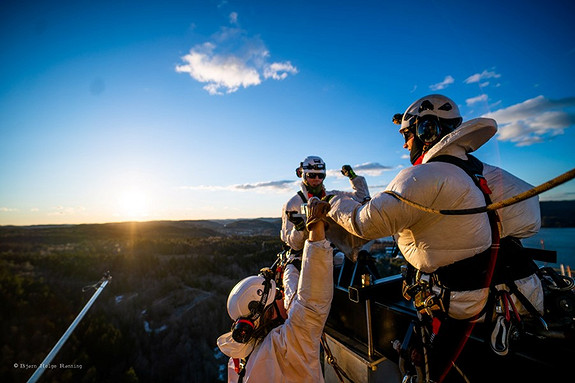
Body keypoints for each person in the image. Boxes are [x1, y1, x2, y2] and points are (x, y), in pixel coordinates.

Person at [326, 94, 543, 382]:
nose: (405, 145)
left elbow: (364, 223)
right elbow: (530, 222)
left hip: (469, 308)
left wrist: (331, 203)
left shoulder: (423, 176)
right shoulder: (490, 174)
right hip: (522, 295)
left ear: (425, 130)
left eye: (406, 135)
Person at [217, 197, 333, 382]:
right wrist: (316, 228)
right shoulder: (287, 346)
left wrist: (291, 267)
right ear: (269, 313)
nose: (283, 294)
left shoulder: (238, 361)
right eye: (278, 294)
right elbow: (311, 304)